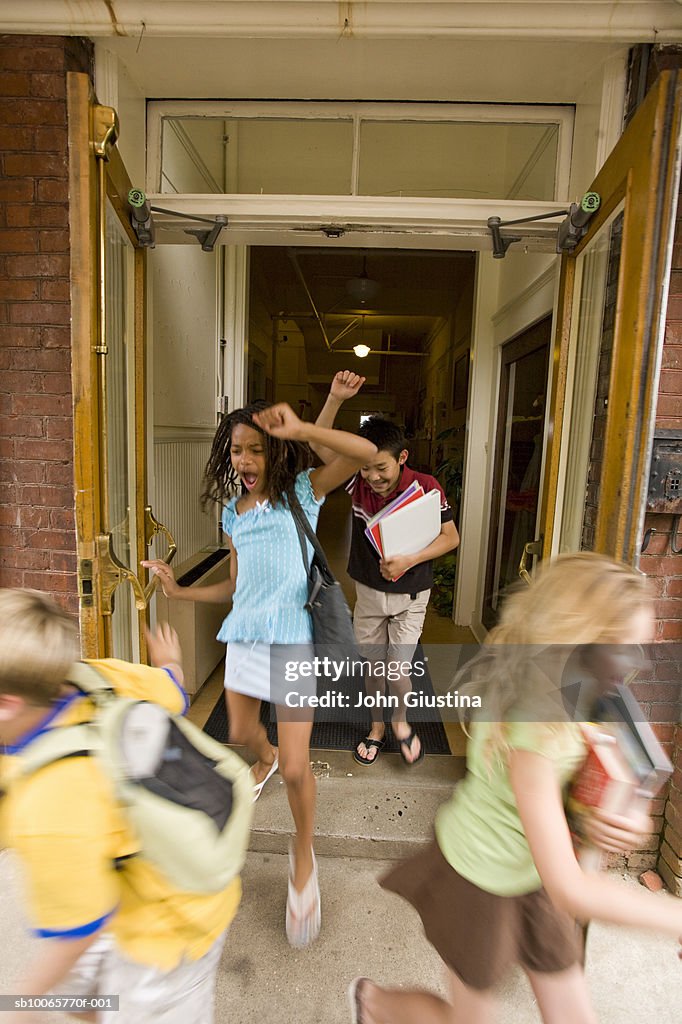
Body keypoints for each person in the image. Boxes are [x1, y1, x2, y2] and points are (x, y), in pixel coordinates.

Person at [347, 553, 682, 1024]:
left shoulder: (592, 689)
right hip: (480, 879)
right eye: (626, 646)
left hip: (535, 872)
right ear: (576, 641)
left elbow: (610, 771)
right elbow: (573, 891)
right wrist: (674, 920)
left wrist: (622, 816)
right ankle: (375, 1003)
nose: (639, 662)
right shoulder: (533, 731)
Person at [143, 400, 376, 948]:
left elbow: (364, 453)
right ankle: (264, 758)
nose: (244, 459)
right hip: (244, 638)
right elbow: (234, 584)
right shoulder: (234, 511)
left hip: (293, 639)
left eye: (255, 448)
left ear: (275, 452)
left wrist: (305, 426)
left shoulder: (303, 495)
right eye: (236, 449)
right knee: (243, 735)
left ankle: (303, 853)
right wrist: (179, 591)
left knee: (298, 768)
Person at [0, 589, 239, 1024]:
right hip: (129, 875)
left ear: (7, 705)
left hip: (170, 928)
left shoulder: (50, 802)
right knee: (80, 993)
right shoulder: (94, 677)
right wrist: (171, 663)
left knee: (111, 999)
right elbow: (173, 693)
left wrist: (20, 1008)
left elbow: (76, 933)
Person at [314, 371, 459, 767]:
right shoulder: (357, 484)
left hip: (412, 595)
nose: (373, 478)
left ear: (402, 458)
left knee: (398, 668)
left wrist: (410, 559)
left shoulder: (426, 487)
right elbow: (318, 442)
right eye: (365, 468)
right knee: (374, 668)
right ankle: (377, 727)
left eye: (381, 467)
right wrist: (334, 398)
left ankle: (400, 722)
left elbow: (451, 538)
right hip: (369, 595)